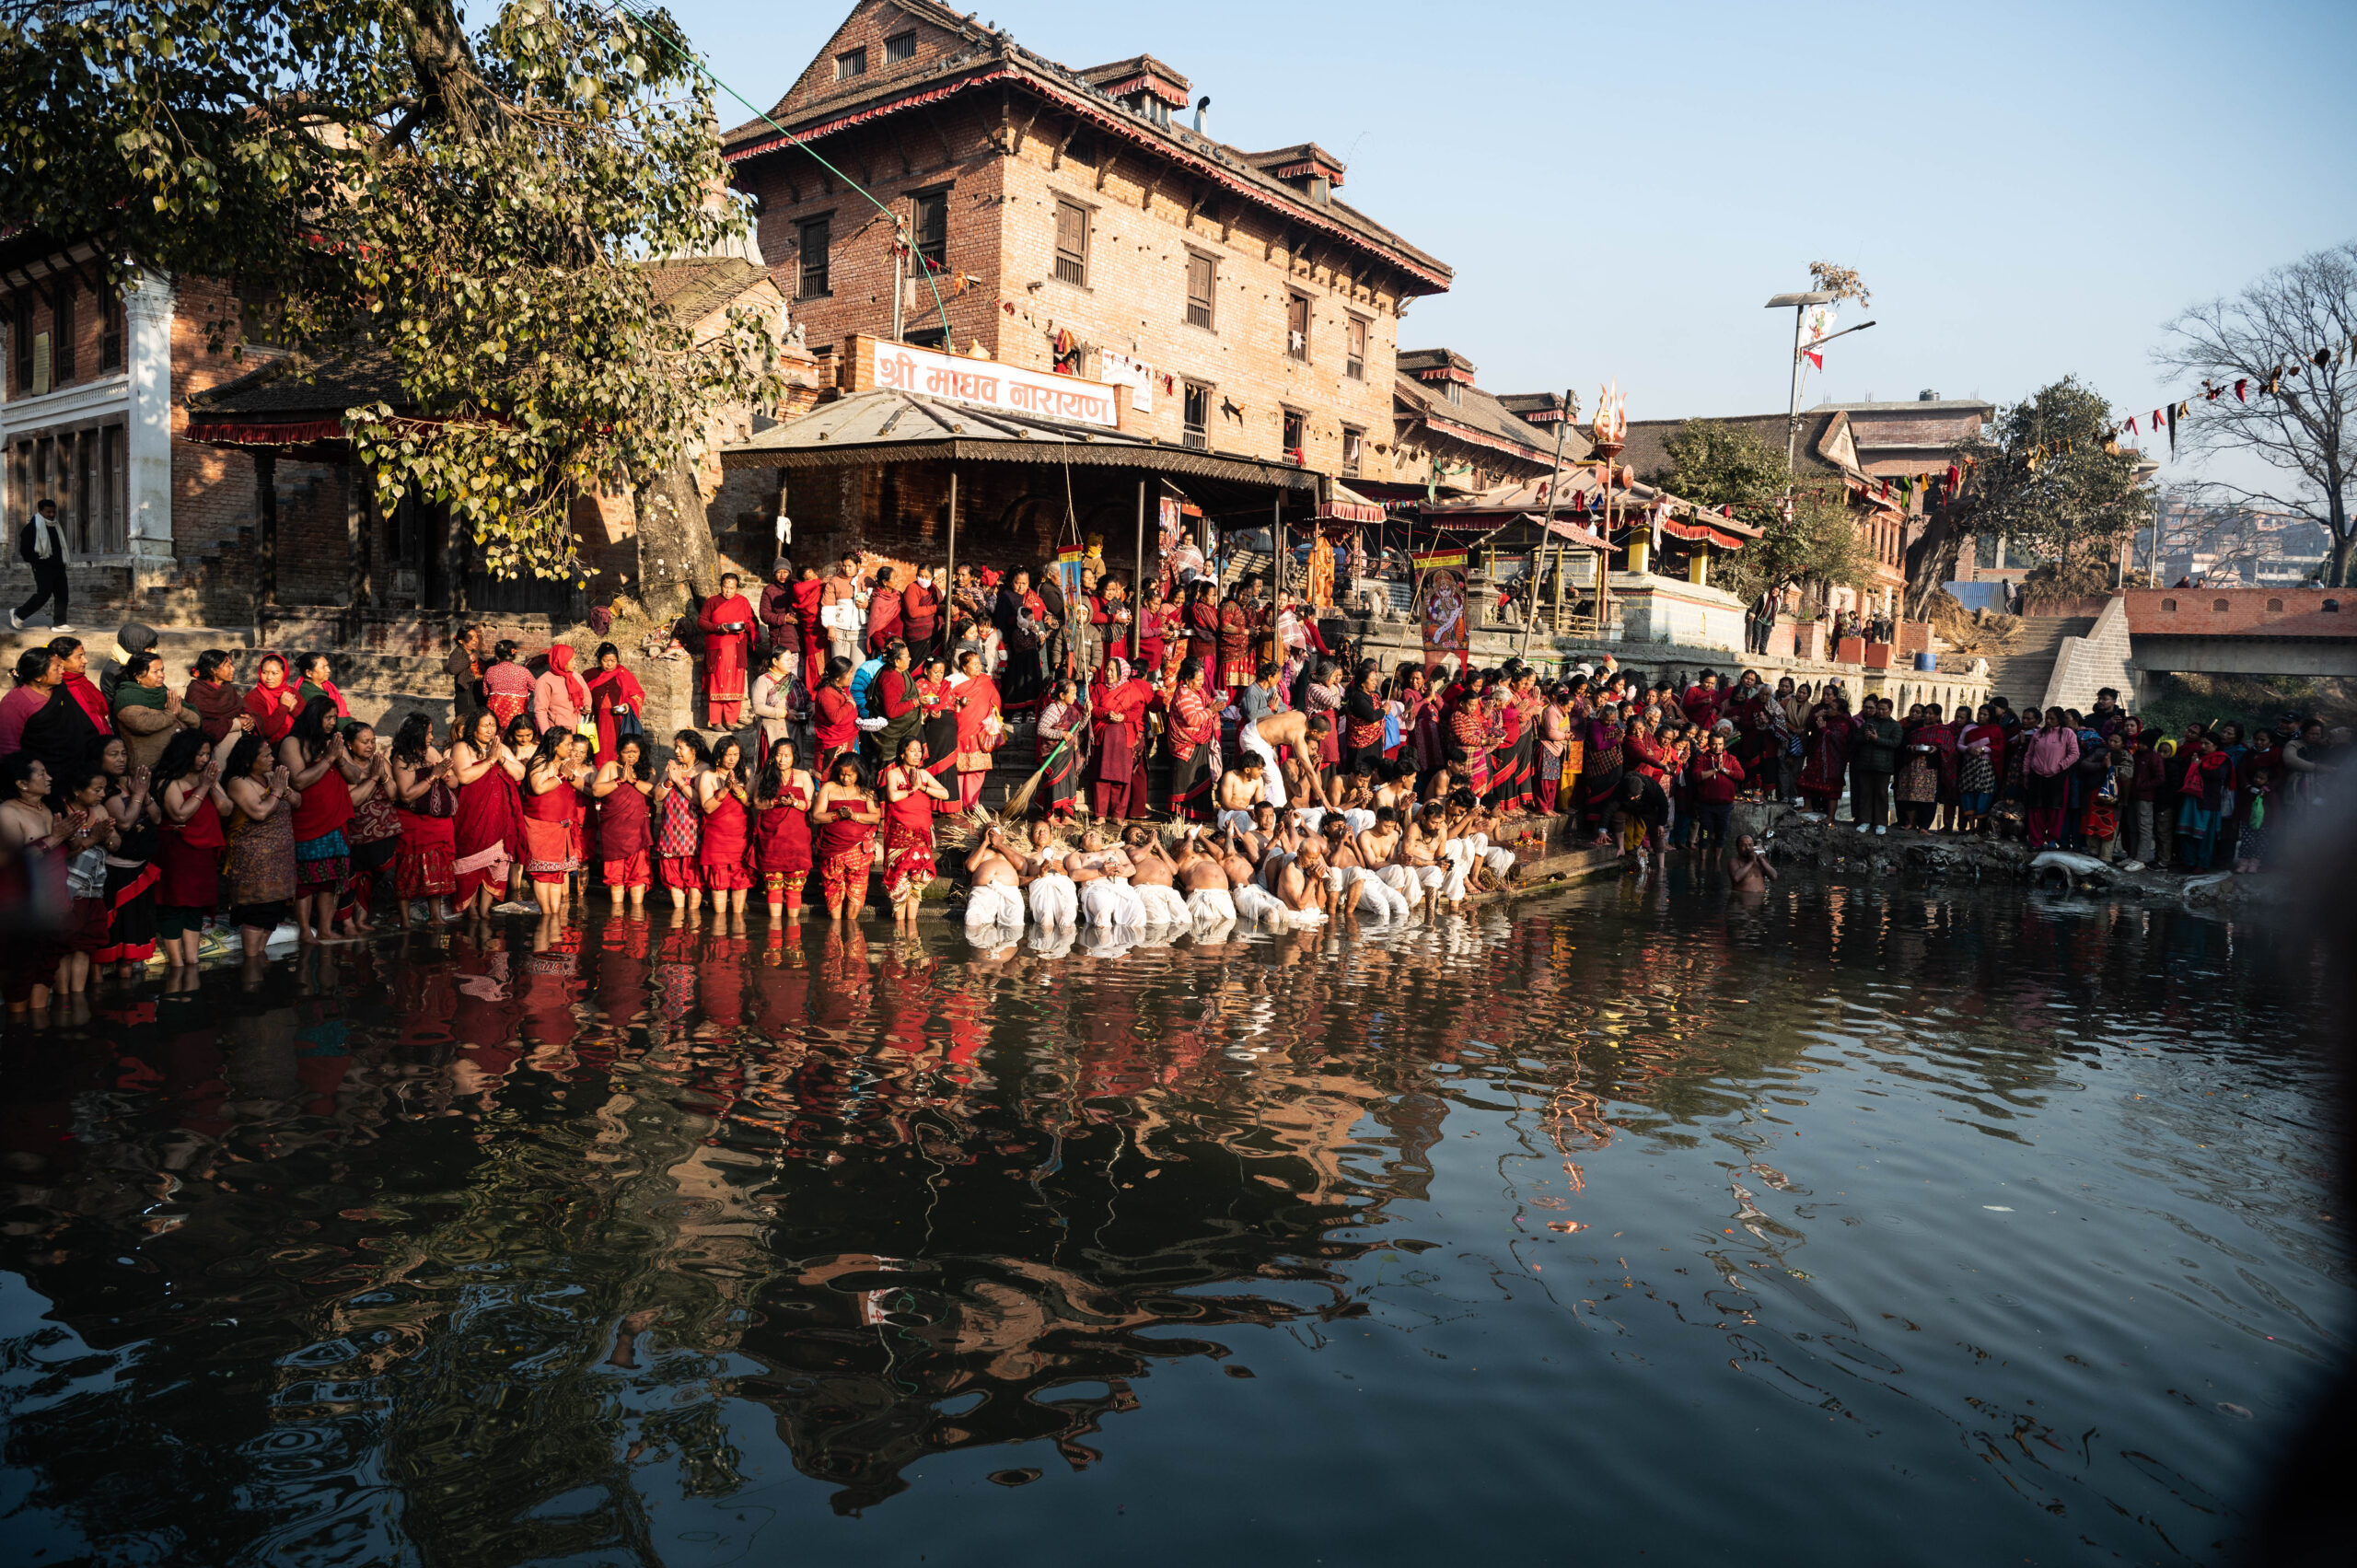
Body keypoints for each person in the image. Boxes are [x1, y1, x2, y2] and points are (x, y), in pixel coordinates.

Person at [280, 694, 366, 944]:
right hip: (307, 821)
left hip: (335, 822)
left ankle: (326, 929)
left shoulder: (332, 743)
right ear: (314, 717)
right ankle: (305, 930)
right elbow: (298, 781)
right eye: (328, 717)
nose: (332, 722)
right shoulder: (292, 743)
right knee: (306, 881)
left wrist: (338, 758)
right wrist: (328, 759)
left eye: (334, 718)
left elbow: (355, 776)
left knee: (331, 879)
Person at [220, 730, 300, 959]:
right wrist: (277, 791)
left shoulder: (271, 777)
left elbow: (297, 801)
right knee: (256, 915)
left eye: (271, 754)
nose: (272, 759)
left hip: (279, 863)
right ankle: (251, 964)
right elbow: (260, 812)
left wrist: (284, 789)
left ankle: (258, 959)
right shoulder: (238, 782)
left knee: (272, 915)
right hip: (253, 865)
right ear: (248, 761)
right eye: (265, 756)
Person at [153, 730, 227, 966]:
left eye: (207, 754)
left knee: (196, 904)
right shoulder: (168, 781)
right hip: (178, 850)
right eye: (200, 754)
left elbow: (226, 809)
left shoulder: (207, 778)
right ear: (185, 753)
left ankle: (192, 959)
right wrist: (203, 787)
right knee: (174, 902)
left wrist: (211, 785)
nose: (205, 759)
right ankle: (176, 962)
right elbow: (180, 813)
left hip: (203, 850)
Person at [449, 708, 528, 919]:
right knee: (471, 862)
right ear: (474, 727)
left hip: (498, 815)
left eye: (493, 725)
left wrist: (501, 758)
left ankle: (484, 910)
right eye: (485, 725)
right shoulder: (462, 747)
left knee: (496, 862)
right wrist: (491, 761)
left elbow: (520, 772)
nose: (489, 730)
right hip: (472, 814)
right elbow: (464, 777)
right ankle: (471, 910)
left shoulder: (499, 747)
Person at [388, 712, 459, 924]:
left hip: (438, 824)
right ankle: (405, 921)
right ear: (416, 734)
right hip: (414, 824)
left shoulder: (431, 752)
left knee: (438, 869)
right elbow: (406, 794)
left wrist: (445, 774)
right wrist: (433, 776)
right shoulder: (402, 758)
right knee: (408, 870)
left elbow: (454, 783)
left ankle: (436, 916)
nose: (431, 737)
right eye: (427, 733)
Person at [340, 721, 405, 931]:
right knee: (360, 878)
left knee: (386, 875)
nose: (370, 746)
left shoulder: (379, 761)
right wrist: (374, 778)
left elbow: (394, 794)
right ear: (350, 745)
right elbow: (353, 800)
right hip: (359, 834)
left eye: (373, 741)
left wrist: (383, 776)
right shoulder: (347, 767)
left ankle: (376, 917)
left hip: (386, 831)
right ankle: (357, 921)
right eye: (365, 742)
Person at [880, 736, 951, 926]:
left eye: (919, 751)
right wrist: (913, 789)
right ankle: (898, 930)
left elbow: (945, 793)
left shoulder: (924, 775)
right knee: (899, 878)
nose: (917, 754)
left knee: (918, 878)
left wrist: (923, 787)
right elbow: (893, 796)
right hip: (900, 833)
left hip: (921, 834)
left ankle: (911, 928)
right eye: (912, 750)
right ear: (902, 753)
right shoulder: (893, 774)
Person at [522, 730, 591, 917]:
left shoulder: (564, 763)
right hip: (541, 824)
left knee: (557, 873)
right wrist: (562, 776)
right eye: (568, 744)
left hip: (561, 825)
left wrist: (569, 775)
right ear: (555, 744)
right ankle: (546, 914)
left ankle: (553, 915)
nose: (571, 748)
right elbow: (538, 788)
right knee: (543, 873)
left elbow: (582, 786)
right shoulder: (540, 761)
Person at [811, 753, 881, 922]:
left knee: (857, 891)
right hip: (832, 851)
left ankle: (851, 926)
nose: (846, 778)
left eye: (850, 775)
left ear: (859, 773)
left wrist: (853, 816)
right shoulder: (829, 788)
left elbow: (875, 817)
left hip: (858, 851)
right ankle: (835, 929)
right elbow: (816, 816)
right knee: (832, 890)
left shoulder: (867, 792)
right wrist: (837, 815)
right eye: (842, 774)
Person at [751, 740, 815, 925]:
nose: (782, 759)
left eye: (787, 756)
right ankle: (775, 931)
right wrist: (777, 802)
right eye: (779, 755)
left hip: (796, 840)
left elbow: (810, 805)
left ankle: (794, 932)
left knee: (795, 888)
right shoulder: (766, 775)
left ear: (794, 757)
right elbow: (757, 803)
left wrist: (794, 803)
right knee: (773, 886)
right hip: (772, 839)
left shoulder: (803, 776)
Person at [590, 734, 655, 912]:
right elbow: (597, 790)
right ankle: (616, 917)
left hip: (637, 831)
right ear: (619, 752)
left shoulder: (647, 770)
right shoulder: (611, 767)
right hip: (615, 832)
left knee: (639, 875)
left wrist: (633, 780)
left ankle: (637, 915)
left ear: (641, 752)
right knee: (615, 875)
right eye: (627, 752)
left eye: (635, 752)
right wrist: (619, 780)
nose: (631, 756)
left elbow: (653, 792)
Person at [112, 652, 200, 773]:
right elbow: (142, 724)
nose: (161, 675)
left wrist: (179, 711)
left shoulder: (164, 692)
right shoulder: (127, 697)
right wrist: (171, 714)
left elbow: (196, 721)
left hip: (178, 762)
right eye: (155, 672)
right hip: (148, 767)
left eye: (162, 670)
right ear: (138, 676)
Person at [698, 734, 755, 920]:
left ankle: (738, 926)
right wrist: (724, 790)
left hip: (740, 835)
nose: (732, 759)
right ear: (719, 755)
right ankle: (719, 926)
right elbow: (708, 807)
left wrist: (737, 789)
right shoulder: (709, 775)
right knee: (719, 882)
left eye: (735, 754)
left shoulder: (746, 773)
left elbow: (749, 803)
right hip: (717, 837)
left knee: (740, 880)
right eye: (728, 754)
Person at [1089, 656, 1151, 820]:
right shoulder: (1099, 688)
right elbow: (1092, 708)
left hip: (1124, 738)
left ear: (1121, 673)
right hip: (1103, 737)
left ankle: (1118, 816)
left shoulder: (1130, 689)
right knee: (1101, 777)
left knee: (1121, 778)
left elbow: (1138, 710)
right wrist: (1106, 713)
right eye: (1107, 669)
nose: (1108, 673)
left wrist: (1123, 717)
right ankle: (1100, 815)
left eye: (1112, 670)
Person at [655, 730, 708, 912]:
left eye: (681, 748)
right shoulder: (672, 768)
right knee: (673, 875)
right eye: (676, 747)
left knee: (693, 876)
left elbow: (699, 799)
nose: (677, 751)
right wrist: (669, 782)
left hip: (693, 830)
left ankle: (693, 917)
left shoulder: (703, 770)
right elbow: (658, 795)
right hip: (671, 828)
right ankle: (678, 917)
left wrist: (679, 780)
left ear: (694, 749)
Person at [699, 573, 758, 727]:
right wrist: (718, 627)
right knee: (717, 682)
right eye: (726, 587)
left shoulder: (743, 602)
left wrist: (745, 627)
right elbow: (701, 622)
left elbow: (753, 622)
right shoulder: (712, 602)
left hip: (737, 648)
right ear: (721, 586)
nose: (728, 591)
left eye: (732, 588)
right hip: (717, 648)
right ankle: (716, 721)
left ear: (737, 588)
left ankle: (731, 720)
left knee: (735, 683)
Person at [1167, 657, 1220, 822]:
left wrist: (1213, 708)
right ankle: (1183, 816)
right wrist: (1210, 711)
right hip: (1186, 746)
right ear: (1187, 678)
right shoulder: (1183, 693)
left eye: (1202, 679)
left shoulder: (1198, 692)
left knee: (1201, 780)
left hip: (1199, 743)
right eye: (1198, 680)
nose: (1201, 683)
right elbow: (1192, 719)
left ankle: (1198, 816)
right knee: (1185, 781)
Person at [949, 648, 1002, 814]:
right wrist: (958, 702)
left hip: (980, 730)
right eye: (974, 664)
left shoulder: (985, 680)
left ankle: (972, 803)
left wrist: (993, 717)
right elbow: (946, 701)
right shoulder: (952, 681)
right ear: (964, 667)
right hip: (959, 729)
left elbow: (996, 702)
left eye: (979, 664)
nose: (979, 667)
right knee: (959, 769)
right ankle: (956, 803)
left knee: (977, 770)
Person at [2021, 706, 2080, 850]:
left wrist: (2060, 766)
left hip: (2057, 777)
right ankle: (2036, 841)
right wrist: (2026, 773)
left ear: (2059, 719)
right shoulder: (2038, 734)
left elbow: (2074, 754)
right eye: (2046, 718)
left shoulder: (2067, 733)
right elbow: (2029, 754)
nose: (2048, 721)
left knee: (2055, 810)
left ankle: (2052, 841)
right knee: (2036, 809)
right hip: (2037, 776)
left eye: (2052, 718)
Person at [11, 495, 72, 633]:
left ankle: (60, 623)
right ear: (41, 511)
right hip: (42, 567)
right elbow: (25, 550)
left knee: (63, 595)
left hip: (58, 566)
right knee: (44, 594)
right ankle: (18, 614)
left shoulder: (56, 526)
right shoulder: (31, 528)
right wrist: (37, 561)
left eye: (53, 512)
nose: (51, 515)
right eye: (48, 512)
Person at [1035, 676, 1086, 820]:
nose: (1075, 697)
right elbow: (1041, 729)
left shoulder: (1072, 710)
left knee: (1068, 783)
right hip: (1054, 753)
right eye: (1072, 693)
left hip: (1067, 753)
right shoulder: (1053, 710)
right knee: (1054, 784)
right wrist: (1060, 734)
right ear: (1062, 695)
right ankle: (1050, 817)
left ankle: (1066, 816)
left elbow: (1079, 728)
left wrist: (1086, 714)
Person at [962, 822, 1028, 935]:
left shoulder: (1009, 850)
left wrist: (999, 845)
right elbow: (971, 867)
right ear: (983, 835)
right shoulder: (979, 850)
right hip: (983, 890)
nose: (992, 830)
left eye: (995, 827)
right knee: (972, 922)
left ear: (1001, 835)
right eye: (988, 828)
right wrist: (985, 843)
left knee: (1015, 925)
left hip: (1009, 891)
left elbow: (1020, 864)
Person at [1849, 696, 1901, 833]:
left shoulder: (1895, 726)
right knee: (1865, 793)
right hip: (1865, 764)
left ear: (1890, 710)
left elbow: (1895, 743)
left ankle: (1881, 822)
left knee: (1881, 794)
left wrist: (1877, 739)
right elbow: (1857, 738)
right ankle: (1865, 820)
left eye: (1884, 709)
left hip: (1883, 766)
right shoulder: (1869, 722)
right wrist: (1865, 737)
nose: (1880, 712)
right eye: (1879, 709)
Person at [1020, 819, 1080, 929]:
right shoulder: (1027, 856)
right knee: (1045, 918)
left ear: (1051, 836)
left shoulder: (1065, 853)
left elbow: (1075, 875)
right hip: (1040, 883)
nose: (1041, 833)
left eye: (1045, 830)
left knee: (1066, 918)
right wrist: (1039, 875)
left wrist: (1062, 870)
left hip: (1062, 882)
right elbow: (1019, 881)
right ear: (1031, 837)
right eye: (1037, 831)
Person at [182, 649, 251, 744]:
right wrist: (236, 723)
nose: (233, 669)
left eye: (231, 665)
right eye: (228, 666)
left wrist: (249, 719)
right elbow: (200, 724)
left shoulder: (228, 688)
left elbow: (241, 708)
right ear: (213, 670)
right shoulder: (196, 690)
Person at [533, 643, 589, 741]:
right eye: (572, 660)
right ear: (562, 660)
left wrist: (587, 706)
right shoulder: (545, 681)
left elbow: (587, 695)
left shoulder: (576, 677)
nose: (575, 663)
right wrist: (547, 736)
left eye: (575, 660)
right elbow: (540, 710)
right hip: (558, 734)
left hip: (580, 729)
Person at [821, 552, 865, 667]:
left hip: (860, 633)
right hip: (839, 632)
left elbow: (876, 602)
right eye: (844, 566)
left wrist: (867, 605)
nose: (847, 569)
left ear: (858, 565)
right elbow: (828, 606)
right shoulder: (834, 581)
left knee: (858, 668)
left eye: (850, 566)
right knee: (839, 668)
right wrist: (830, 628)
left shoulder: (866, 581)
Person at [480, 641, 533, 728]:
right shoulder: (523, 671)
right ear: (514, 654)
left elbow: (485, 693)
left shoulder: (490, 670)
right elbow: (535, 687)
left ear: (497, 655)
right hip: (517, 713)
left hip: (496, 714)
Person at [447, 624, 485, 726]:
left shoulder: (475, 652)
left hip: (478, 695)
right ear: (461, 641)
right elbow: (452, 669)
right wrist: (470, 659)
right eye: (471, 638)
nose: (475, 640)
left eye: (476, 637)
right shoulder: (458, 653)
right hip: (466, 698)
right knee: (465, 726)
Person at [865, 564, 905, 655]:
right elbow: (875, 628)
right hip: (884, 646)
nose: (897, 580)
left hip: (898, 642)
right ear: (885, 582)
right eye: (894, 578)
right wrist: (884, 647)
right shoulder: (879, 600)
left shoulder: (898, 596)